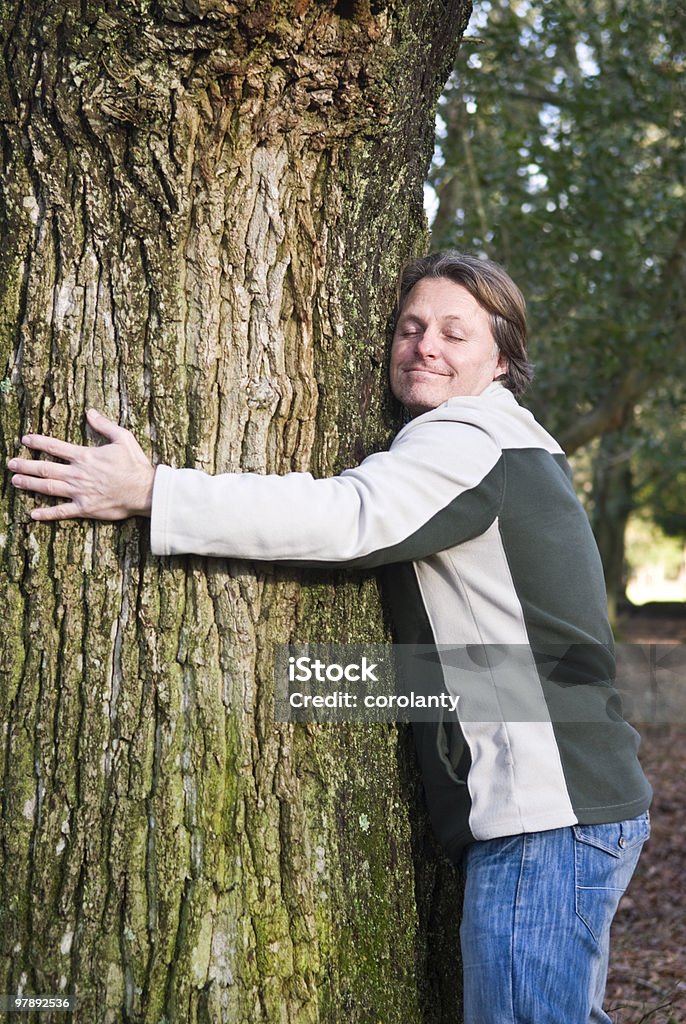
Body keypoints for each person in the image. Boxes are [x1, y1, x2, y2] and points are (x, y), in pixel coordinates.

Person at [7, 251, 651, 1023]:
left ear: (504, 361)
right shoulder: (518, 443)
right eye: (412, 328)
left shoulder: (469, 437)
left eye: (455, 333)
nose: (426, 347)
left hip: (549, 819)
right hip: (575, 808)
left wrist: (153, 490)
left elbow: (343, 519)